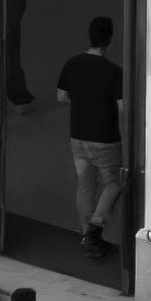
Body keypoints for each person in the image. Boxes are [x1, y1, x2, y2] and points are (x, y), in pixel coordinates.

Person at [58, 13, 128, 259]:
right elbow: (122, 107)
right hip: (105, 138)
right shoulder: (113, 72)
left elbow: (61, 96)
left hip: (78, 136)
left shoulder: (72, 63)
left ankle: (85, 233)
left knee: (85, 185)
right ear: (109, 39)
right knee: (113, 183)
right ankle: (95, 228)